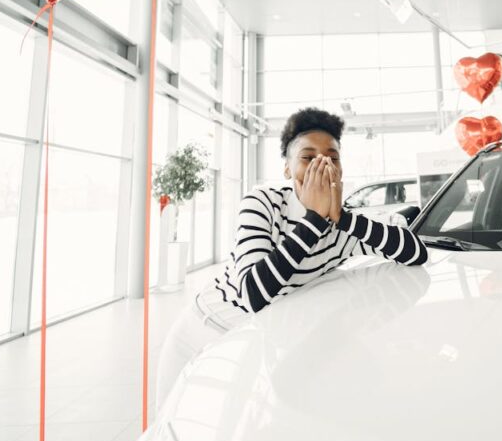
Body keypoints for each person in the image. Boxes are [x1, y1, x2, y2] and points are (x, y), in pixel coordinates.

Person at [156, 107, 429, 405]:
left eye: (332, 157)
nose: (322, 164)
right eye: (308, 157)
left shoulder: (344, 228)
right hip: (201, 328)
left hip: (246, 342)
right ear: (287, 168)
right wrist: (313, 220)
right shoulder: (263, 203)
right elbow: (254, 294)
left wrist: (344, 220)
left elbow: (415, 252)